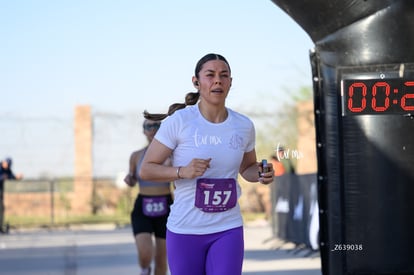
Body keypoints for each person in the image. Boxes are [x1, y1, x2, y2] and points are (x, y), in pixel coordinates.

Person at [139, 53, 274, 275]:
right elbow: (147, 168)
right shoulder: (180, 122)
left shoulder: (243, 125)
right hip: (185, 229)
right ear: (196, 82)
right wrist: (182, 171)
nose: (217, 81)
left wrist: (261, 173)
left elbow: (247, 168)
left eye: (224, 75)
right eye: (210, 75)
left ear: (231, 82)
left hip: (227, 228)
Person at [124, 119, 173, 275]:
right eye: (148, 126)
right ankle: (144, 270)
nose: (153, 130)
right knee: (145, 254)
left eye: (157, 126)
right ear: (144, 131)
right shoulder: (136, 156)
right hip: (143, 206)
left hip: (165, 206)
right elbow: (132, 179)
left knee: (161, 260)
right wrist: (130, 180)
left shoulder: (172, 155)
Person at [0, 158, 23, 234]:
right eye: (7, 163)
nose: (7, 165)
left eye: (9, 164)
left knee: (1, 209)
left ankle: (1, 227)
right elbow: (4, 177)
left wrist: (17, 177)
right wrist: (2, 178)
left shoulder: (7, 170)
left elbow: (11, 176)